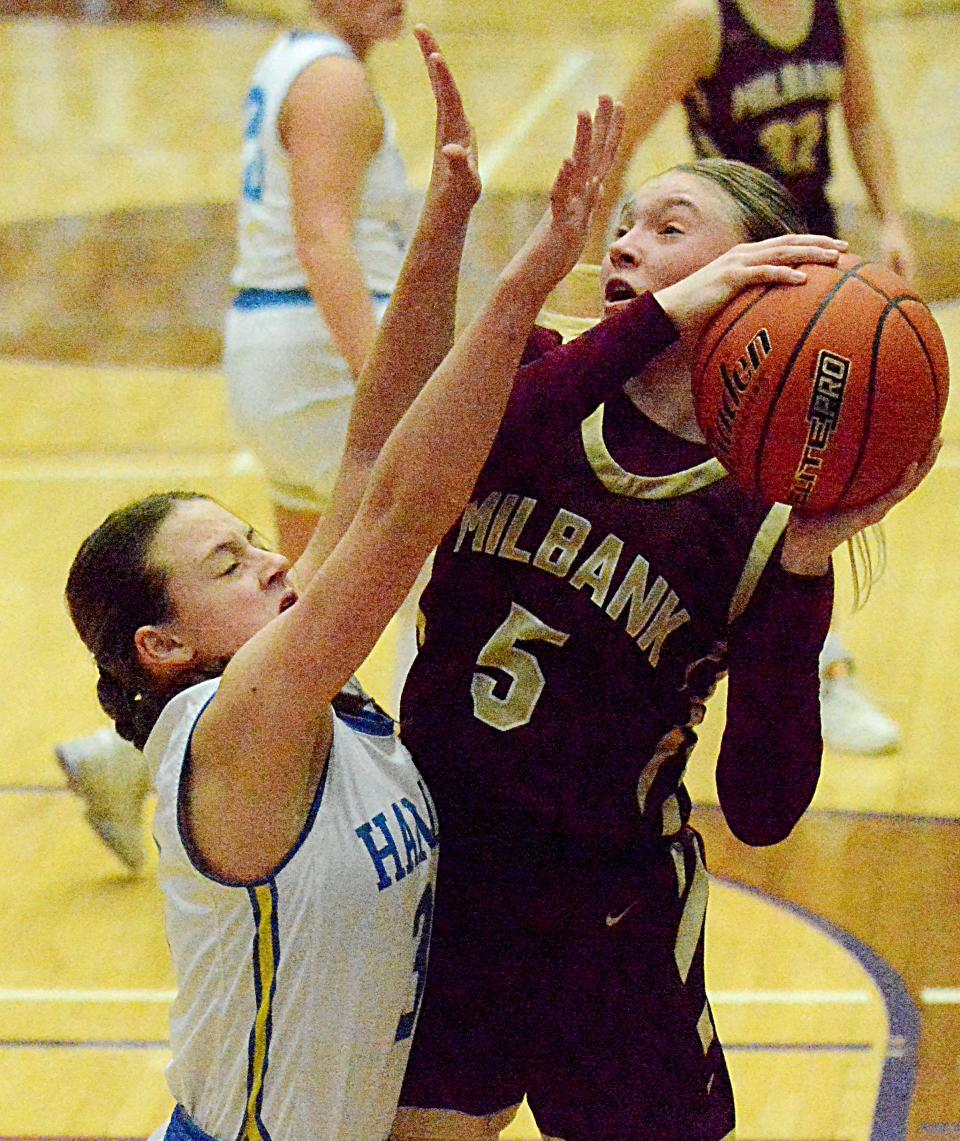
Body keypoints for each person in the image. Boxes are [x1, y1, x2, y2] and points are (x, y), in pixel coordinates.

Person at [62, 31, 630, 1140]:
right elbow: (406, 508)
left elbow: (370, 453)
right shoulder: (237, 727)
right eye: (229, 563)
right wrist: (525, 281)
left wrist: (447, 221)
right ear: (163, 647)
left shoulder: (283, 676)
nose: (275, 556)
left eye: (251, 541)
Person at [392, 159, 938, 1140]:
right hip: (445, 872)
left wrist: (805, 569)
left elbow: (767, 809)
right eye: (629, 223)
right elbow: (474, 452)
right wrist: (660, 313)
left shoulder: (762, 523)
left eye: (671, 227)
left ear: (762, 279)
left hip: (608, 912)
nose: (627, 241)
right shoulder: (530, 380)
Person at [55, 0, 420, 870]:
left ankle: (129, 759)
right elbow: (324, 234)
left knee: (297, 603)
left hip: (280, 349)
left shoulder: (295, 58)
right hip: (320, 352)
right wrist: (390, 383)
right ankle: (429, 789)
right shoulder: (332, 77)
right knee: (415, 575)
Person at [581, 0, 915, 756]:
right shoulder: (699, 22)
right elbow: (616, 143)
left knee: (820, 476)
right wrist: (608, 260)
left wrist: (891, 218)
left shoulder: (836, 10)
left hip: (812, 276)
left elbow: (862, 116)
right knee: (737, 479)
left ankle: (818, 669)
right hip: (728, 281)